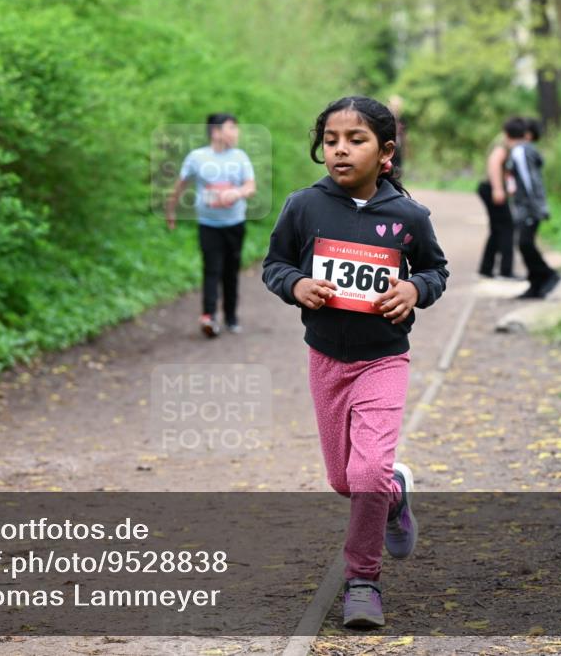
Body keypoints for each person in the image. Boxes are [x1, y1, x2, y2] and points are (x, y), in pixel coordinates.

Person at [262, 96, 448, 628]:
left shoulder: (409, 216)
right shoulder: (304, 206)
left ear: (385, 152)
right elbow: (275, 264)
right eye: (331, 140)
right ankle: (394, 496)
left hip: (383, 360)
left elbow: (435, 271)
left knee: (367, 472)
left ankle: (362, 581)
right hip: (326, 359)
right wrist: (296, 284)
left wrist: (414, 289)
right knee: (346, 480)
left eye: (355, 140)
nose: (340, 150)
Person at [165, 113, 256, 337]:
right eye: (231, 128)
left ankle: (231, 317)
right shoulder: (197, 157)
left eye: (236, 128)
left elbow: (250, 186)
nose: (236, 132)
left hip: (234, 224)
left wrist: (237, 193)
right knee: (211, 269)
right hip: (208, 224)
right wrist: (170, 208)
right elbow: (181, 183)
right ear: (216, 132)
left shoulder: (240, 157)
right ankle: (209, 316)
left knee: (230, 271)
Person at [504, 116, 560, 298]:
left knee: (525, 243)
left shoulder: (520, 151)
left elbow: (529, 181)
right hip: (527, 207)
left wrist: (534, 206)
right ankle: (536, 284)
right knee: (524, 244)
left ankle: (547, 275)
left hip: (529, 207)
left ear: (507, 134)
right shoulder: (522, 150)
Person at [477, 127, 518, 279]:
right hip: (491, 188)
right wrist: (498, 189)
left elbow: (505, 170)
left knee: (497, 229)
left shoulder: (504, 142)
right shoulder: (504, 145)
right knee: (507, 227)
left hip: (490, 188)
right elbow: (494, 163)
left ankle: (486, 269)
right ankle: (506, 271)